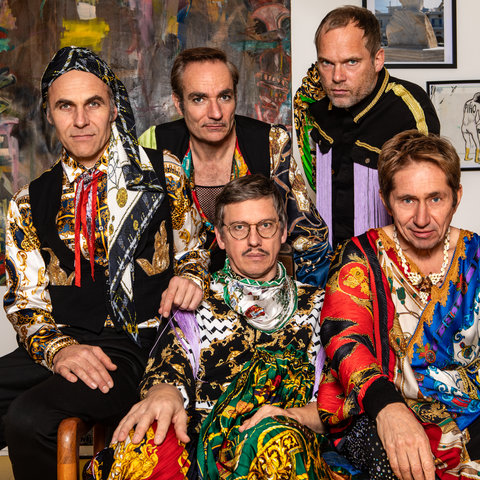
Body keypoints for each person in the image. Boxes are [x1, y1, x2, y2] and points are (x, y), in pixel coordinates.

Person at [0, 46, 209, 479]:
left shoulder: (163, 174)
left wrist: (191, 276)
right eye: (65, 106)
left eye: (92, 104)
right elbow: (26, 303)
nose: (80, 120)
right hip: (62, 341)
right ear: (49, 114)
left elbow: (195, 252)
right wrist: (59, 349)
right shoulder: (28, 201)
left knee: (30, 419)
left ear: (113, 107)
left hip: (135, 346)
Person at [85, 174, 339, 480]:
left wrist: (289, 416)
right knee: (143, 447)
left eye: (266, 225)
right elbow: (167, 371)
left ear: (283, 231)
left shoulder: (319, 305)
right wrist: (164, 393)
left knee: (276, 442)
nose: (254, 240)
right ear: (220, 237)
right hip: (204, 448)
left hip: (286, 444)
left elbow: (336, 405)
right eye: (239, 228)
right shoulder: (197, 300)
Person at [318, 130, 480, 480]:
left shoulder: (475, 256)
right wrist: (387, 407)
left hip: (469, 415)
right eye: (407, 200)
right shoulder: (359, 256)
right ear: (386, 201)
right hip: (377, 409)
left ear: (456, 197)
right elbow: (344, 338)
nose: (422, 218)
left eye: (435, 199)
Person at [139, 47, 331, 287]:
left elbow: (311, 240)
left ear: (236, 97)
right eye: (199, 99)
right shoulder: (154, 144)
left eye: (224, 97)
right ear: (178, 103)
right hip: (179, 298)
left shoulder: (269, 143)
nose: (216, 113)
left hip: (256, 296)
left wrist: (309, 302)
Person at [294, 5, 440, 247]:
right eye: (327, 63)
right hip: (330, 256)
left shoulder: (408, 109)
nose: (337, 77)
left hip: (388, 258)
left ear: (378, 59)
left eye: (351, 62)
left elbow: (428, 202)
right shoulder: (314, 105)